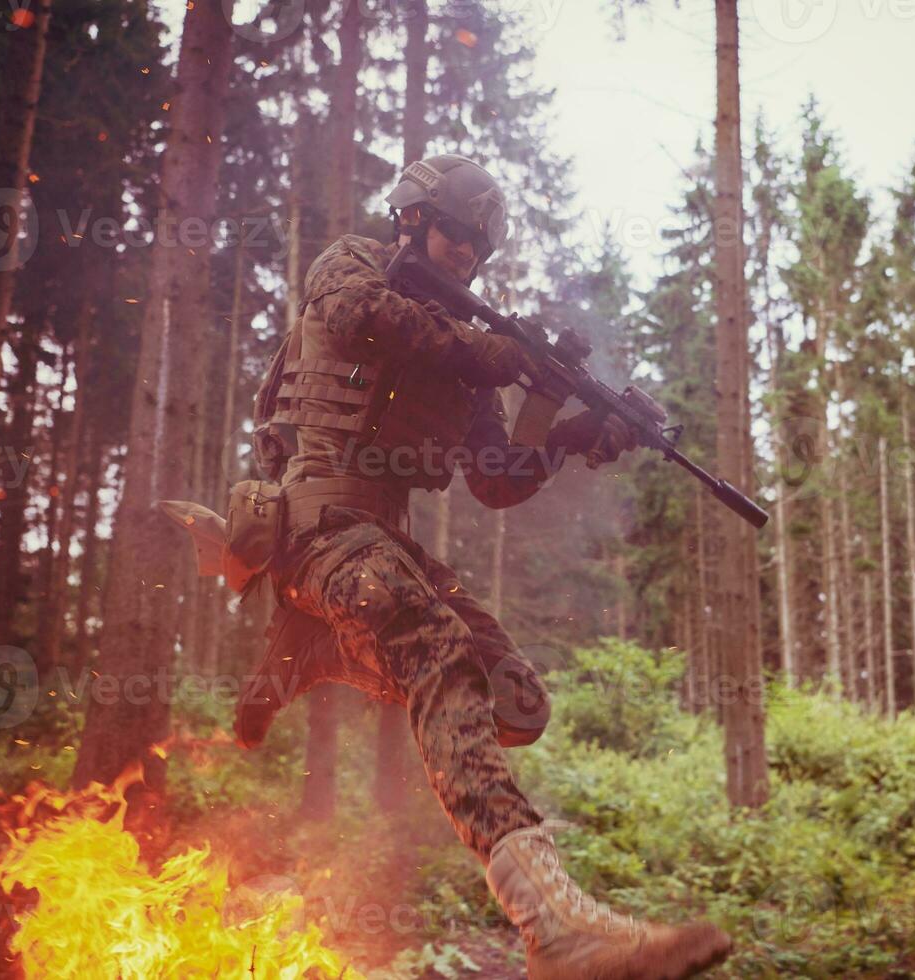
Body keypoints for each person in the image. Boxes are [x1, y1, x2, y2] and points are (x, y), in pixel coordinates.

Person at [252, 154, 733, 979]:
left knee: (511, 692)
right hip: (314, 522)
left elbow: (498, 480)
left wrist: (581, 433)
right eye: (453, 236)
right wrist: (493, 352)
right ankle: (555, 925)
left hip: (383, 542)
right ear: (410, 218)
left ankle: (325, 650)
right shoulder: (354, 264)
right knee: (434, 647)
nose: (464, 257)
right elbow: (357, 311)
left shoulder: (469, 349)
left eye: (477, 249)